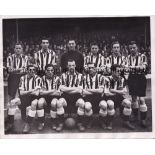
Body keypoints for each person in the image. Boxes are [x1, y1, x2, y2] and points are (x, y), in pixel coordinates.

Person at [103, 64, 135, 130]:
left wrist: (112, 90)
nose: (119, 72)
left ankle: (126, 122)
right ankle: (109, 122)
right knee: (111, 104)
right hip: (109, 98)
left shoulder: (122, 79)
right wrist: (118, 91)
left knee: (128, 103)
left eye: (120, 71)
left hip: (119, 98)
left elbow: (124, 91)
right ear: (112, 71)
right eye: (117, 71)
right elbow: (106, 94)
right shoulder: (107, 79)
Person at [39, 64, 67, 132]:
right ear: (45, 71)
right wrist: (52, 91)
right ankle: (41, 123)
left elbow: (58, 93)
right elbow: (40, 93)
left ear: (53, 71)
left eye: (52, 70)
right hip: (44, 98)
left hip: (54, 98)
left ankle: (53, 122)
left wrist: (46, 91)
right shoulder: (42, 79)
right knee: (40, 102)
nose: (50, 72)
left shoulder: (57, 79)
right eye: (48, 70)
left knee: (54, 103)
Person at [127, 41, 148, 128]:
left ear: (137, 48)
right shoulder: (127, 57)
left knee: (142, 99)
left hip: (140, 78)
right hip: (131, 78)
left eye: (134, 48)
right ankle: (135, 116)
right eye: (131, 48)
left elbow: (143, 68)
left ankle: (143, 120)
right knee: (134, 98)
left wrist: (132, 68)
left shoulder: (142, 56)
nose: (132, 49)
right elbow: (126, 68)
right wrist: (136, 68)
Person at [80, 63, 105, 131]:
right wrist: (96, 90)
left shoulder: (101, 77)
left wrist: (89, 90)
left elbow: (101, 91)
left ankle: (101, 121)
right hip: (88, 98)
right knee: (88, 106)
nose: (90, 69)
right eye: (89, 68)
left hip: (99, 98)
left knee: (104, 105)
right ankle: (89, 121)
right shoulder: (84, 78)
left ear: (95, 69)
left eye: (92, 67)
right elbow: (84, 91)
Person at [18, 64, 42, 133]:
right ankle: (10, 123)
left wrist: (26, 91)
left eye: (34, 70)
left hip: (34, 98)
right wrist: (32, 90)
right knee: (12, 103)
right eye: (30, 70)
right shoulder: (22, 78)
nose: (32, 71)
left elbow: (36, 93)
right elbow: (21, 93)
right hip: (24, 97)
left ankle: (28, 124)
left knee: (33, 104)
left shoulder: (38, 78)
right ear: (27, 70)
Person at [59, 59, 83, 127]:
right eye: (69, 65)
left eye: (73, 65)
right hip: (65, 96)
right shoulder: (63, 75)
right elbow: (61, 88)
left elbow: (80, 90)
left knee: (82, 103)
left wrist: (67, 89)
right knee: (59, 102)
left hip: (76, 96)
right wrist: (75, 88)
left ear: (75, 65)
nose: (71, 67)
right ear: (67, 66)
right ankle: (60, 123)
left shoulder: (80, 76)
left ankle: (79, 123)